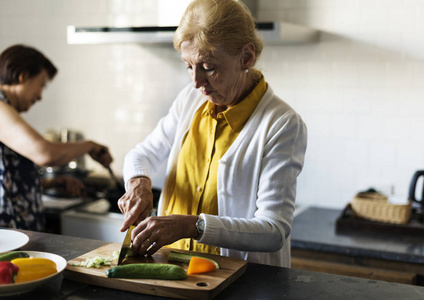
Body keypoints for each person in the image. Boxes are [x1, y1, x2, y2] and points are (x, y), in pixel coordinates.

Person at [118, 0, 307, 268]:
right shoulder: (190, 99)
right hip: (175, 270)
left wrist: (193, 225)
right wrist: (138, 182)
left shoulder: (282, 124)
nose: (196, 82)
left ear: (246, 57)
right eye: (188, 65)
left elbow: (273, 231)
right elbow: (143, 154)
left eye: (208, 67)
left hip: (241, 281)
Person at [0, 44, 113, 231]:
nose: (40, 96)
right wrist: (89, 145)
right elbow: (45, 153)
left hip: (14, 234)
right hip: (7, 238)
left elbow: (8, 179)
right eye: (41, 85)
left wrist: (50, 184)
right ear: (24, 75)